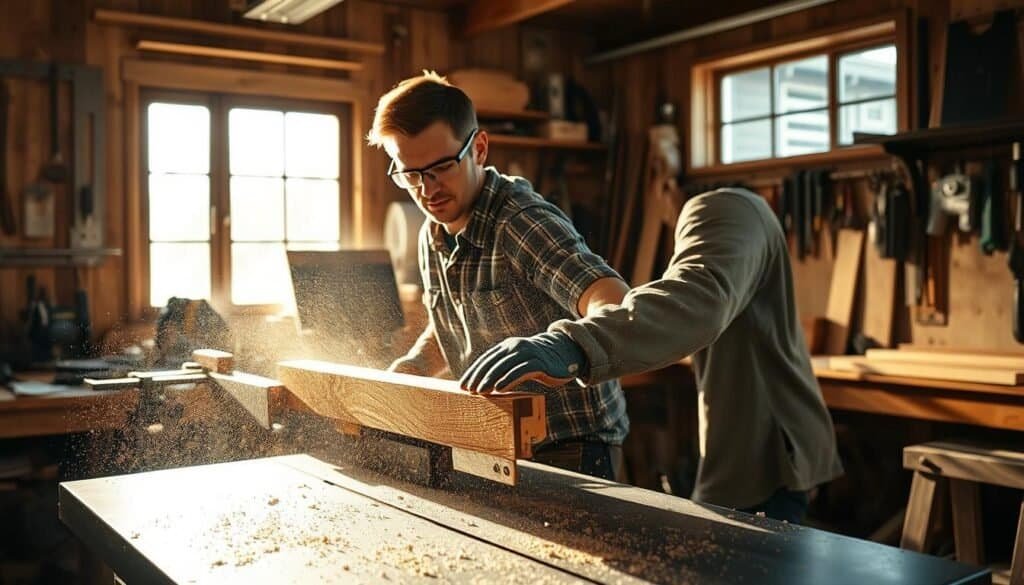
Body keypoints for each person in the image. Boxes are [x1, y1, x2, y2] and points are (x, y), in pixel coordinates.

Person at [460, 187, 843, 523]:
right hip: (769, 444)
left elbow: (698, 300)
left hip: (768, 453)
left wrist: (572, 343)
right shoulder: (744, 218)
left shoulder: (721, 209)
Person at [367, 72, 631, 481]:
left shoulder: (520, 222)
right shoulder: (432, 233)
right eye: (410, 174)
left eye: (441, 168)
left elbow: (613, 299)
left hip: (573, 446)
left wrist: (562, 346)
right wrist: (415, 366)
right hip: (500, 441)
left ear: (479, 149)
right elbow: (453, 323)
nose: (427, 190)